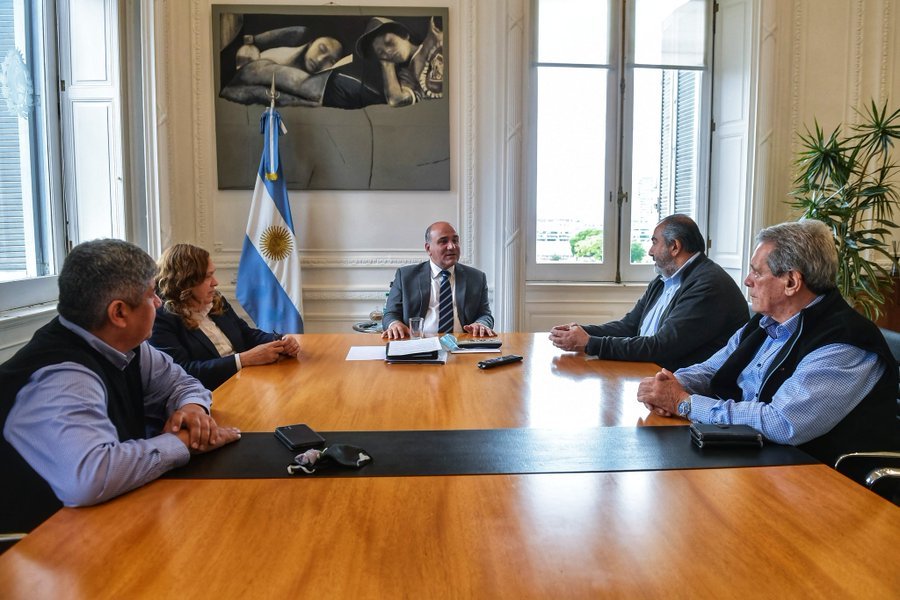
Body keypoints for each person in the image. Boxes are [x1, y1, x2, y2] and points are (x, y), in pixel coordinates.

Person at [0, 239, 241, 534]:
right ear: (119, 313)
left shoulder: (124, 345)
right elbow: (91, 478)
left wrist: (192, 409)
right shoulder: (65, 377)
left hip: (93, 523)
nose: (158, 303)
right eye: (152, 294)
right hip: (35, 544)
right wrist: (183, 443)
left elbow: (182, 382)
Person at [637, 219, 898, 465]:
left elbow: (782, 422)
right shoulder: (765, 322)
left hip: (827, 480)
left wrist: (684, 403)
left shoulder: (844, 343)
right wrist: (670, 385)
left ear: (791, 282)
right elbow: (711, 368)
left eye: (757, 272)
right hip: (761, 459)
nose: (747, 281)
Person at [549, 214, 748, 370]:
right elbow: (629, 326)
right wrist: (581, 332)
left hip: (685, 386)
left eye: (654, 242)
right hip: (650, 370)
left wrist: (590, 343)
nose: (650, 251)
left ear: (674, 246)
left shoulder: (708, 285)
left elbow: (662, 347)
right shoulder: (664, 281)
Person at [150, 243, 300, 391]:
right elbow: (183, 371)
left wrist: (279, 342)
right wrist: (243, 360)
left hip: (246, 380)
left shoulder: (216, 299)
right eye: (207, 277)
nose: (215, 282)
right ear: (185, 281)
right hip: (210, 394)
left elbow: (245, 333)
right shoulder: (161, 318)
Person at [382, 221, 495, 340]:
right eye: (443, 241)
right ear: (428, 248)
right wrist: (394, 324)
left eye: (455, 240)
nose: (452, 246)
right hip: (418, 344)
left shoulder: (476, 277)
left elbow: (485, 314)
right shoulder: (406, 276)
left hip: (462, 344)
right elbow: (390, 314)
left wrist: (481, 324)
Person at [220, 26, 345, 107]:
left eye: (331, 60)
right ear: (312, 43)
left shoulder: (316, 85)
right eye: (321, 49)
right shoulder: (288, 47)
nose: (319, 60)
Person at [356, 16, 443, 107]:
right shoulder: (409, 76)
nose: (387, 51)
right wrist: (387, 65)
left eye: (389, 42)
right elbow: (396, 100)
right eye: (381, 52)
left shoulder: (434, 35)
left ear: (404, 35)